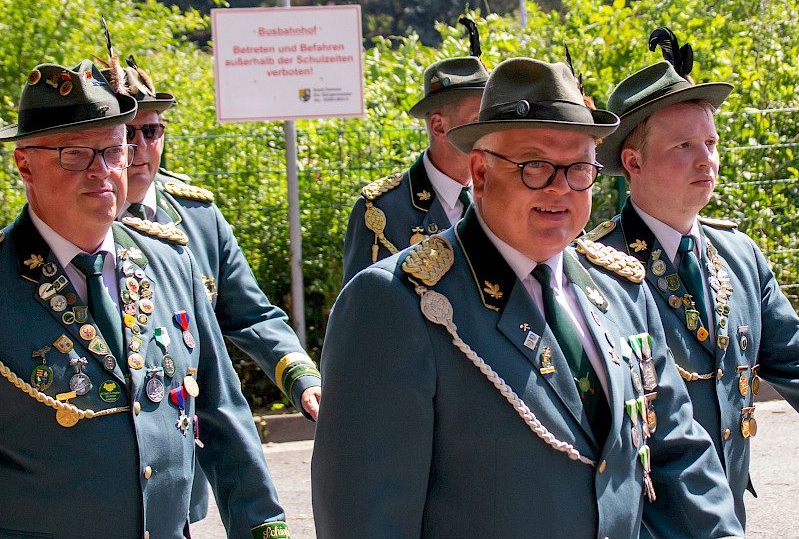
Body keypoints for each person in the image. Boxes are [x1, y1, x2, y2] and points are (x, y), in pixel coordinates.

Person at [313, 57, 741, 539]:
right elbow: (367, 516)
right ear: (479, 172)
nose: (560, 188)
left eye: (579, 167)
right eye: (535, 165)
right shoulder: (397, 303)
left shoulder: (620, 289)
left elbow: (678, 455)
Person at [0, 59, 290, 539]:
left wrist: (265, 527)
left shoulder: (170, 262)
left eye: (115, 151)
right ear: (24, 164)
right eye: (75, 154)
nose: (103, 171)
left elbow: (222, 416)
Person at [591, 28, 799, 536]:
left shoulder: (738, 255)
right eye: (683, 146)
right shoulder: (597, 268)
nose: (707, 159)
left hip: (728, 512)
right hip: (646, 523)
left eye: (711, 143)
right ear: (633, 162)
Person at [114, 56, 323, 521]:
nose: (139, 147)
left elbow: (251, 315)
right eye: (125, 133)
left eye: (151, 130)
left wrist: (303, 379)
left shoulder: (198, 218)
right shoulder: (79, 223)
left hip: (178, 475)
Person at [340, 43, 488, 284]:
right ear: (439, 127)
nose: (490, 131)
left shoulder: (500, 195)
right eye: (478, 120)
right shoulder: (381, 210)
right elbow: (359, 301)